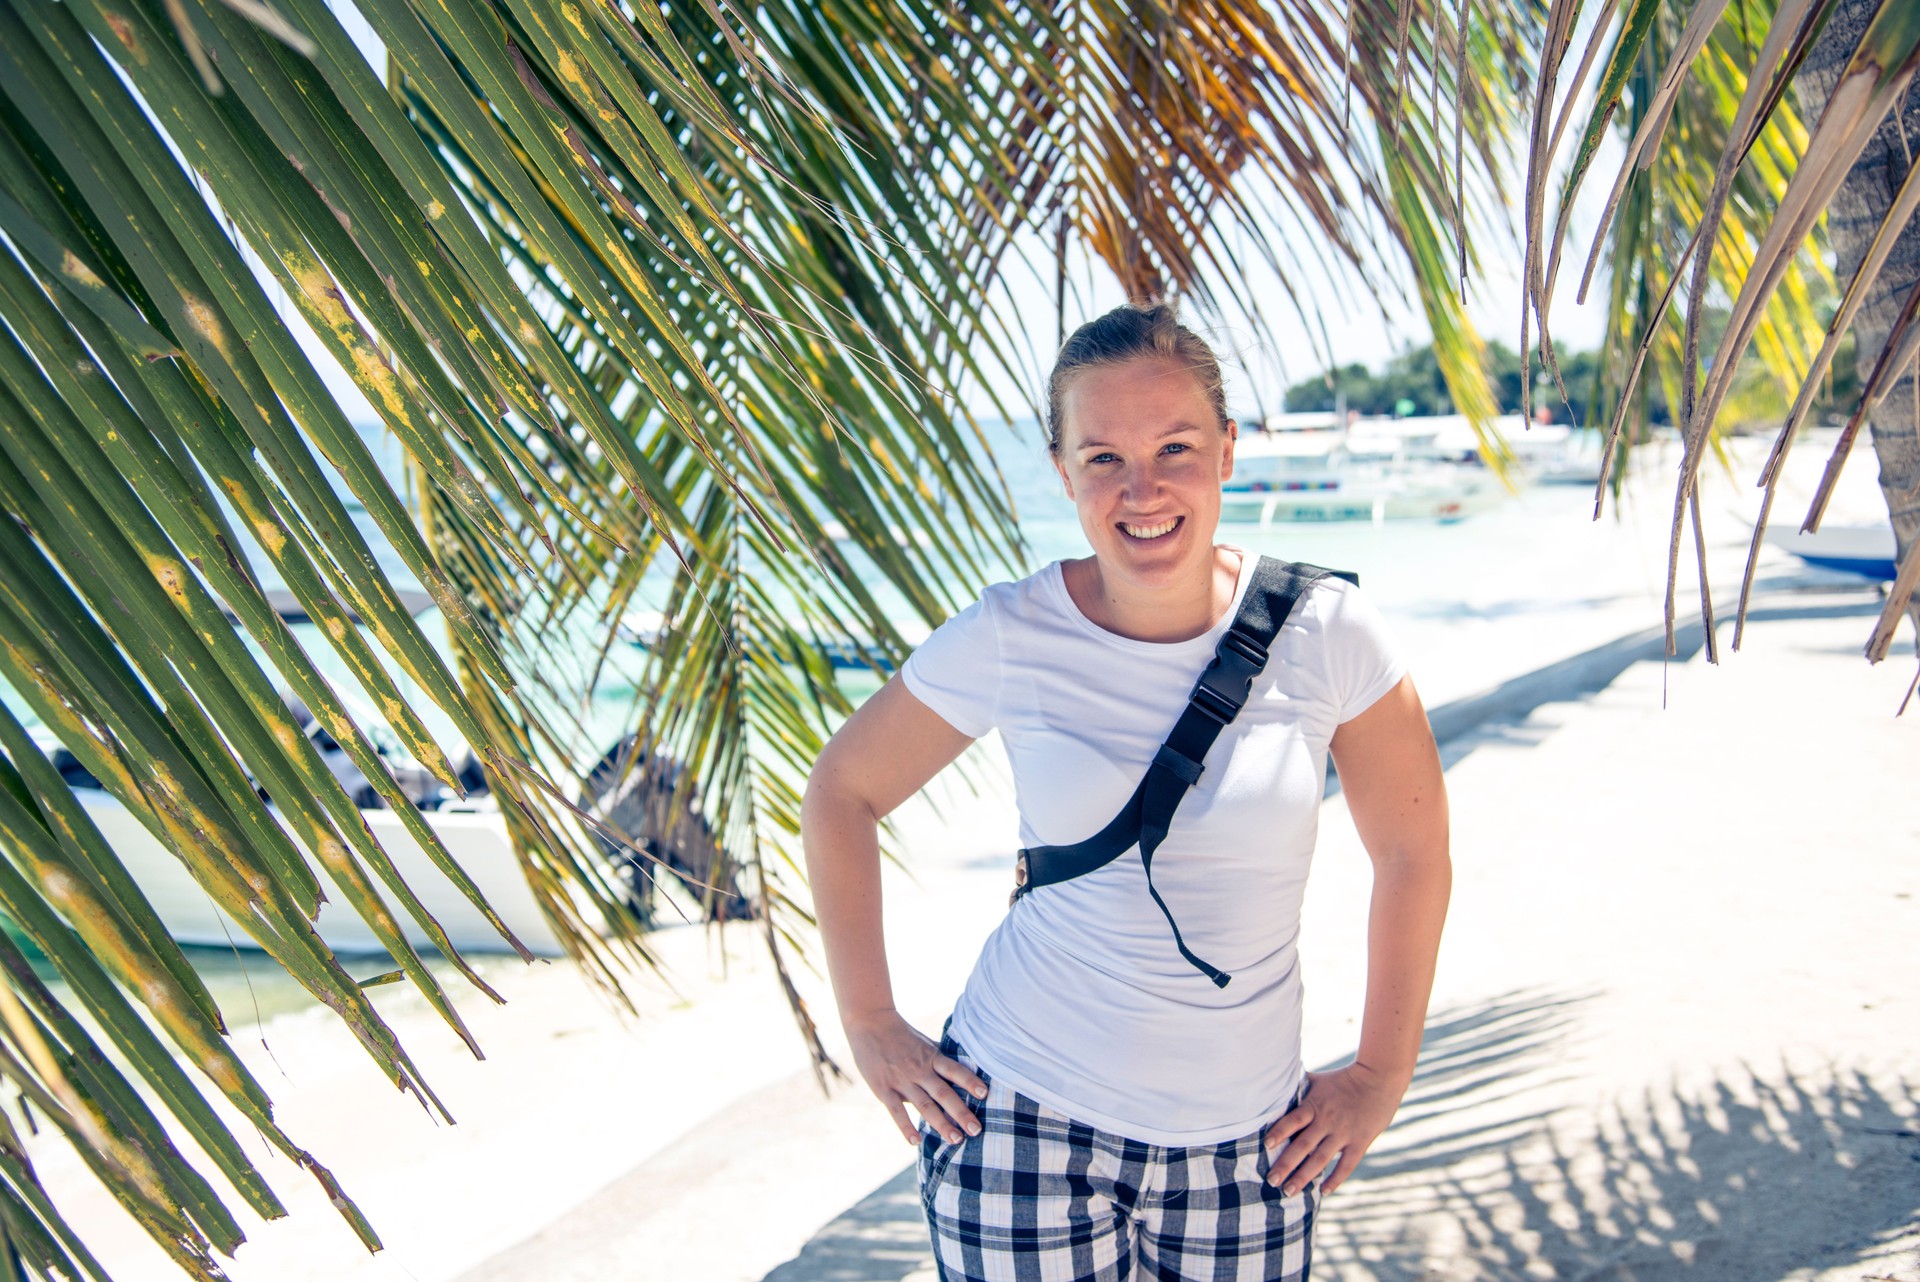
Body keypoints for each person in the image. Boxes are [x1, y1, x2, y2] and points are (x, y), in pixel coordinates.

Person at [801, 303, 1450, 1281]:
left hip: (1253, 1144)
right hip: (1022, 1115)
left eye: (1175, 446)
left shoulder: (1329, 630)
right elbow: (842, 790)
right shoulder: (1012, 632)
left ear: (1228, 450)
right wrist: (870, 1023)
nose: (1140, 487)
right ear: (1063, 472)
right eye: (1102, 456)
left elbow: (1413, 854)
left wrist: (1378, 1074)